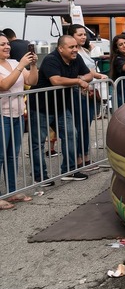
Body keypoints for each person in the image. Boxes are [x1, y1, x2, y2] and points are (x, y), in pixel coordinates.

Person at [29, 35, 92, 184]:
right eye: (71, 47)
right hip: (41, 107)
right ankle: (40, 177)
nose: (75, 50)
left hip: (62, 106)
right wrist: (78, 80)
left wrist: (81, 79)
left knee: (71, 134)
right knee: (38, 142)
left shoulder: (76, 58)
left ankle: (69, 170)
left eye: (76, 46)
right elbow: (55, 80)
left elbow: (89, 74)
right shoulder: (51, 59)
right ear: (60, 48)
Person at [0, 33, 38, 208]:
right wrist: (21, 65)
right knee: (0, 156)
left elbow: (31, 80)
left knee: (12, 156)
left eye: (7, 44)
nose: (7, 47)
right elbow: (5, 85)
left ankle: (12, 191)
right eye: (2, 45)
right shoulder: (17, 65)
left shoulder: (15, 63)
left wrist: (33, 65)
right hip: (2, 116)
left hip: (16, 115)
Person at [68, 24, 109, 167]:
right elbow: (82, 73)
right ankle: (79, 158)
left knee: (86, 126)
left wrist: (97, 75)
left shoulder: (85, 50)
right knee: (80, 126)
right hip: (79, 93)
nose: (84, 37)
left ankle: (85, 156)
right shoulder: (73, 54)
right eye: (80, 35)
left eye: (84, 34)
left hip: (90, 93)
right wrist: (90, 76)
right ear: (71, 36)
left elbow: (90, 71)